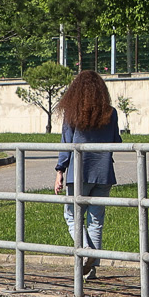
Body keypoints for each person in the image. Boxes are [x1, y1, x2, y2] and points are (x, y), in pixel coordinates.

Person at [53, 68, 121, 279]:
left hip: (78, 171)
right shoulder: (111, 112)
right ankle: (90, 269)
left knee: (72, 215)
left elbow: (67, 143)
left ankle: (85, 252)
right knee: (96, 219)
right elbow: (116, 141)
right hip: (103, 172)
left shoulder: (72, 113)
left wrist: (60, 170)